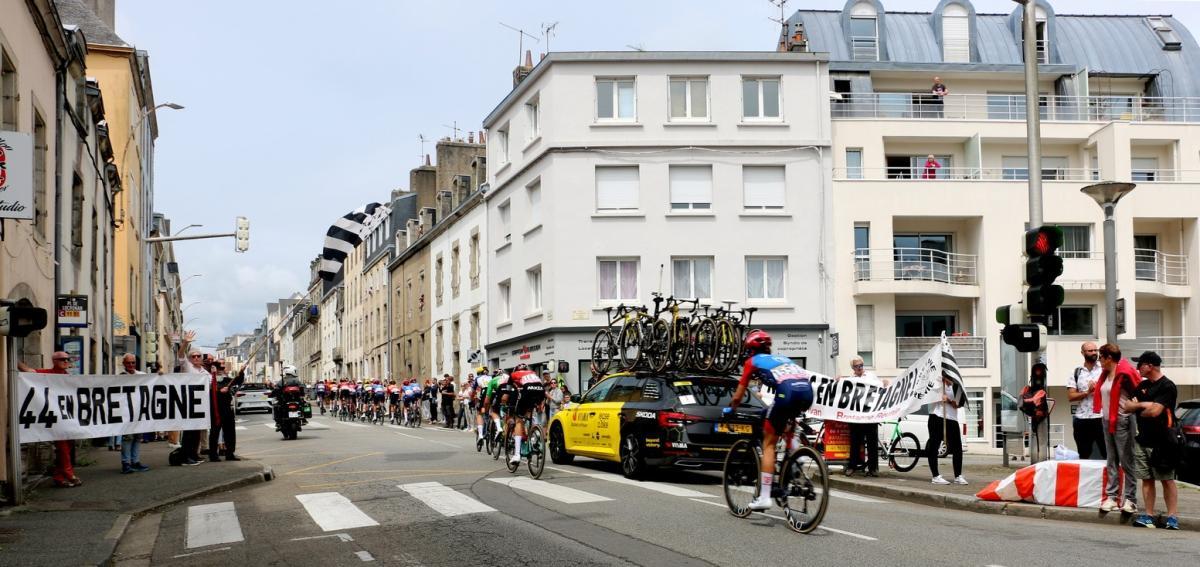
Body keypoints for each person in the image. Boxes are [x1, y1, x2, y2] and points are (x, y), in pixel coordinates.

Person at [728, 330, 814, 511]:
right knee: (788, 420)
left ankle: (764, 497)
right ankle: (796, 457)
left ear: (750, 350)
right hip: (807, 392)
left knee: (769, 444)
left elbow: (738, 395)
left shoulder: (752, 361)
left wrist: (731, 409)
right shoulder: (783, 358)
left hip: (787, 393)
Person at [1125, 351, 1180, 529]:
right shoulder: (1142, 385)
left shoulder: (1167, 386)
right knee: (1146, 479)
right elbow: (1127, 406)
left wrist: (1139, 405)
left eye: (1140, 364)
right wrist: (1145, 405)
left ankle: (1172, 517)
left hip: (1163, 442)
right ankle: (1148, 515)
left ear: (1150, 366)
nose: (1137, 368)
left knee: (1166, 479)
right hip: (1143, 439)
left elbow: (1155, 412)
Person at [18, 352, 82, 486]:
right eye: (62, 359)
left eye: (68, 359)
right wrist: (12, 359)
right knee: (63, 447)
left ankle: (59, 477)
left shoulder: (69, 377)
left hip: (68, 418)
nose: (66, 361)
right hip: (55, 419)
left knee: (67, 447)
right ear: (54, 361)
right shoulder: (47, 374)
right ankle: (69, 474)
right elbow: (29, 371)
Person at [1093, 343, 1142, 514]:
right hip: (1107, 420)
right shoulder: (1105, 374)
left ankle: (1131, 499)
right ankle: (1112, 497)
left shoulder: (1125, 373)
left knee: (1127, 461)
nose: (1099, 360)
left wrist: (1135, 406)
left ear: (1109, 358)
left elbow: (1139, 392)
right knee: (1112, 460)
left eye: (1101, 356)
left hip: (1122, 420)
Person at [846, 356, 885, 477]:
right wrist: (837, 381)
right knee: (855, 443)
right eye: (856, 366)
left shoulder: (871, 376)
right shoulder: (850, 380)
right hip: (856, 417)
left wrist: (885, 384)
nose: (859, 368)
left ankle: (873, 468)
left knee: (872, 443)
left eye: (861, 365)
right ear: (853, 368)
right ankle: (852, 467)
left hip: (870, 416)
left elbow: (881, 388)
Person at [1067, 342, 1105, 459]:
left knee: (1106, 452)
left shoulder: (1104, 370)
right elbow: (1071, 396)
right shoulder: (1076, 372)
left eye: (1095, 350)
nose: (1094, 353)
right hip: (1082, 418)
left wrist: (1098, 389)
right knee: (1083, 454)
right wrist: (1087, 392)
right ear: (1082, 353)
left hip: (1101, 417)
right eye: (1090, 351)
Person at [928, 372, 966, 485]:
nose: (950, 381)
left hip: (952, 419)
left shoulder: (957, 386)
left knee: (957, 448)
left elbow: (958, 404)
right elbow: (928, 397)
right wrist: (939, 396)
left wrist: (948, 400)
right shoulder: (936, 383)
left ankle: (958, 476)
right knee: (934, 447)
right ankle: (935, 476)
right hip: (936, 417)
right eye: (949, 378)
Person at [117, 354, 151, 474]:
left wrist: (160, 375)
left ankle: (135, 461)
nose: (131, 365)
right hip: (126, 413)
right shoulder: (120, 377)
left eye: (133, 362)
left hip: (139, 412)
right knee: (127, 438)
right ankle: (126, 463)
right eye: (128, 363)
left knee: (137, 437)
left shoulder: (141, 375)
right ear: (124, 364)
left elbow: (153, 380)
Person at [176, 331, 206, 466]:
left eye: (198, 356)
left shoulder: (204, 372)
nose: (196, 358)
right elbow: (180, 355)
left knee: (197, 431)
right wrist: (185, 342)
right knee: (188, 431)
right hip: (188, 402)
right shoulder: (187, 366)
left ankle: (194, 454)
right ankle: (186, 456)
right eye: (193, 356)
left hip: (199, 404)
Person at [508, 364, 544, 463]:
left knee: (518, 420)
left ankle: (517, 455)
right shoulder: (533, 373)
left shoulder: (513, 374)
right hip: (540, 390)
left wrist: (508, 405)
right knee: (530, 413)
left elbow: (508, 392)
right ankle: (536, 434)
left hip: (527, 390)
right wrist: (541, 404)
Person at [208, 364, 243, 461]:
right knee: (214, 432)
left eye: (222, 368)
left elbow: (238, 381)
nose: (220, 370)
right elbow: (209, 392)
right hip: (216, 410)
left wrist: (241, 372)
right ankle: (213, 455)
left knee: (230, 432)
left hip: (227, 408)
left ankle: (230, 453)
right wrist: (219, 391)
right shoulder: (209, 380)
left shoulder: (227, 380)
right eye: (218, 368)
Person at [1020, 362, 1051, 462]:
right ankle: (1037, 460)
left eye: (1039, 371)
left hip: (1038, 415)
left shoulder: (1040, 390)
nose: (1038, 373)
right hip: (1035, 415)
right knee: (1037, 439)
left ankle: (1039, 460)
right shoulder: (1033, 390)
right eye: (1036, 371)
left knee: (1039, 440)